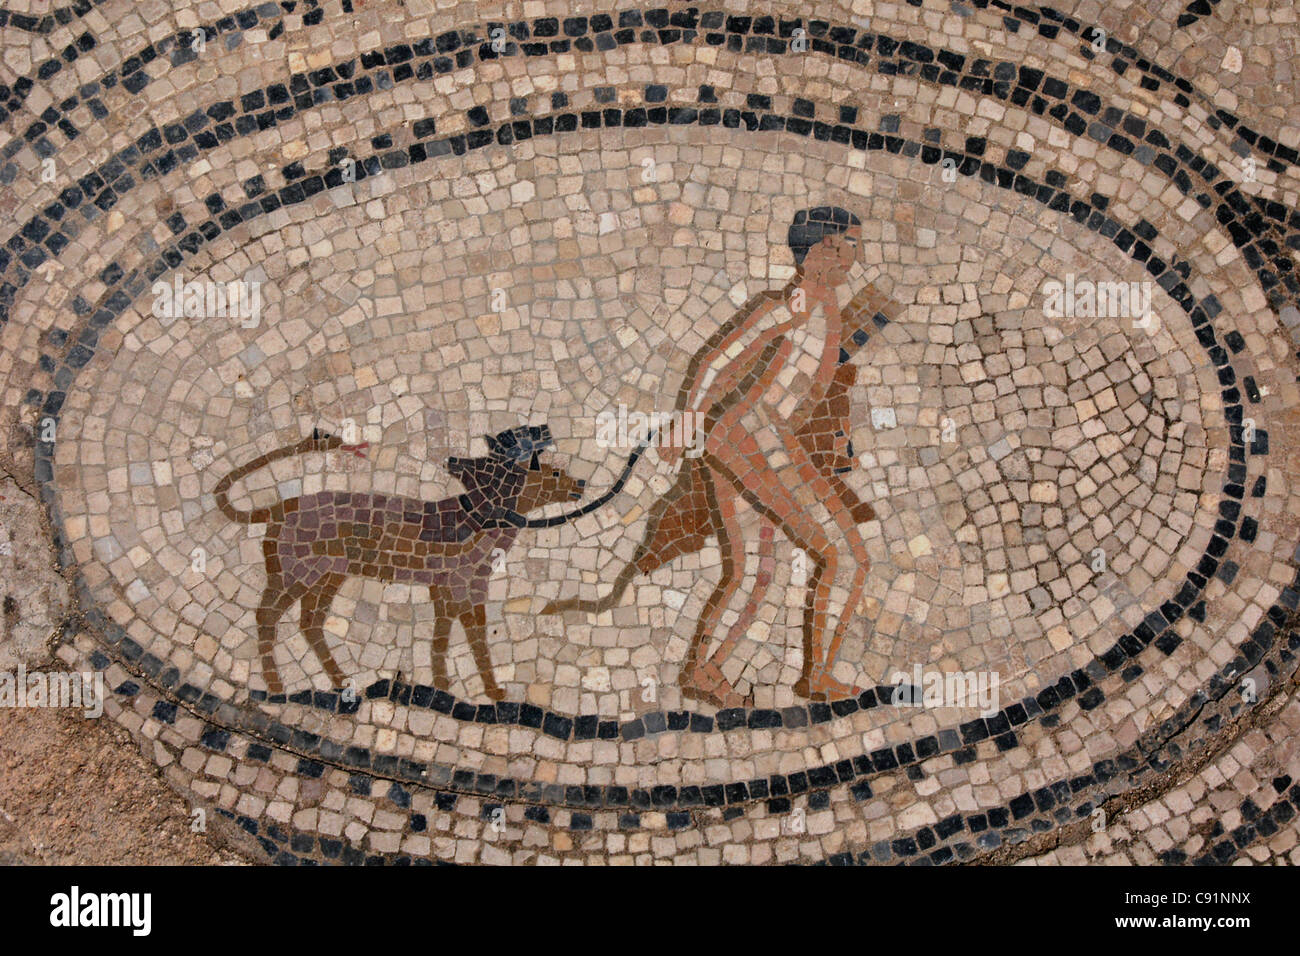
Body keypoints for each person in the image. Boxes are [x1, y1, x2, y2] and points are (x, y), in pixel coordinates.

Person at [661, 207, 873, 705]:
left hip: (745, 437)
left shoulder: (822, 304)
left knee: (755, 569)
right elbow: (719, 358)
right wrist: (688, 417)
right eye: (848, 247)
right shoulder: (796, 303)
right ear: (822, 251)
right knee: (846, 557)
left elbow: (808, 379)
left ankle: (704, 673)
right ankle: (816, 676)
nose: (855, 259)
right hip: (754, 435)